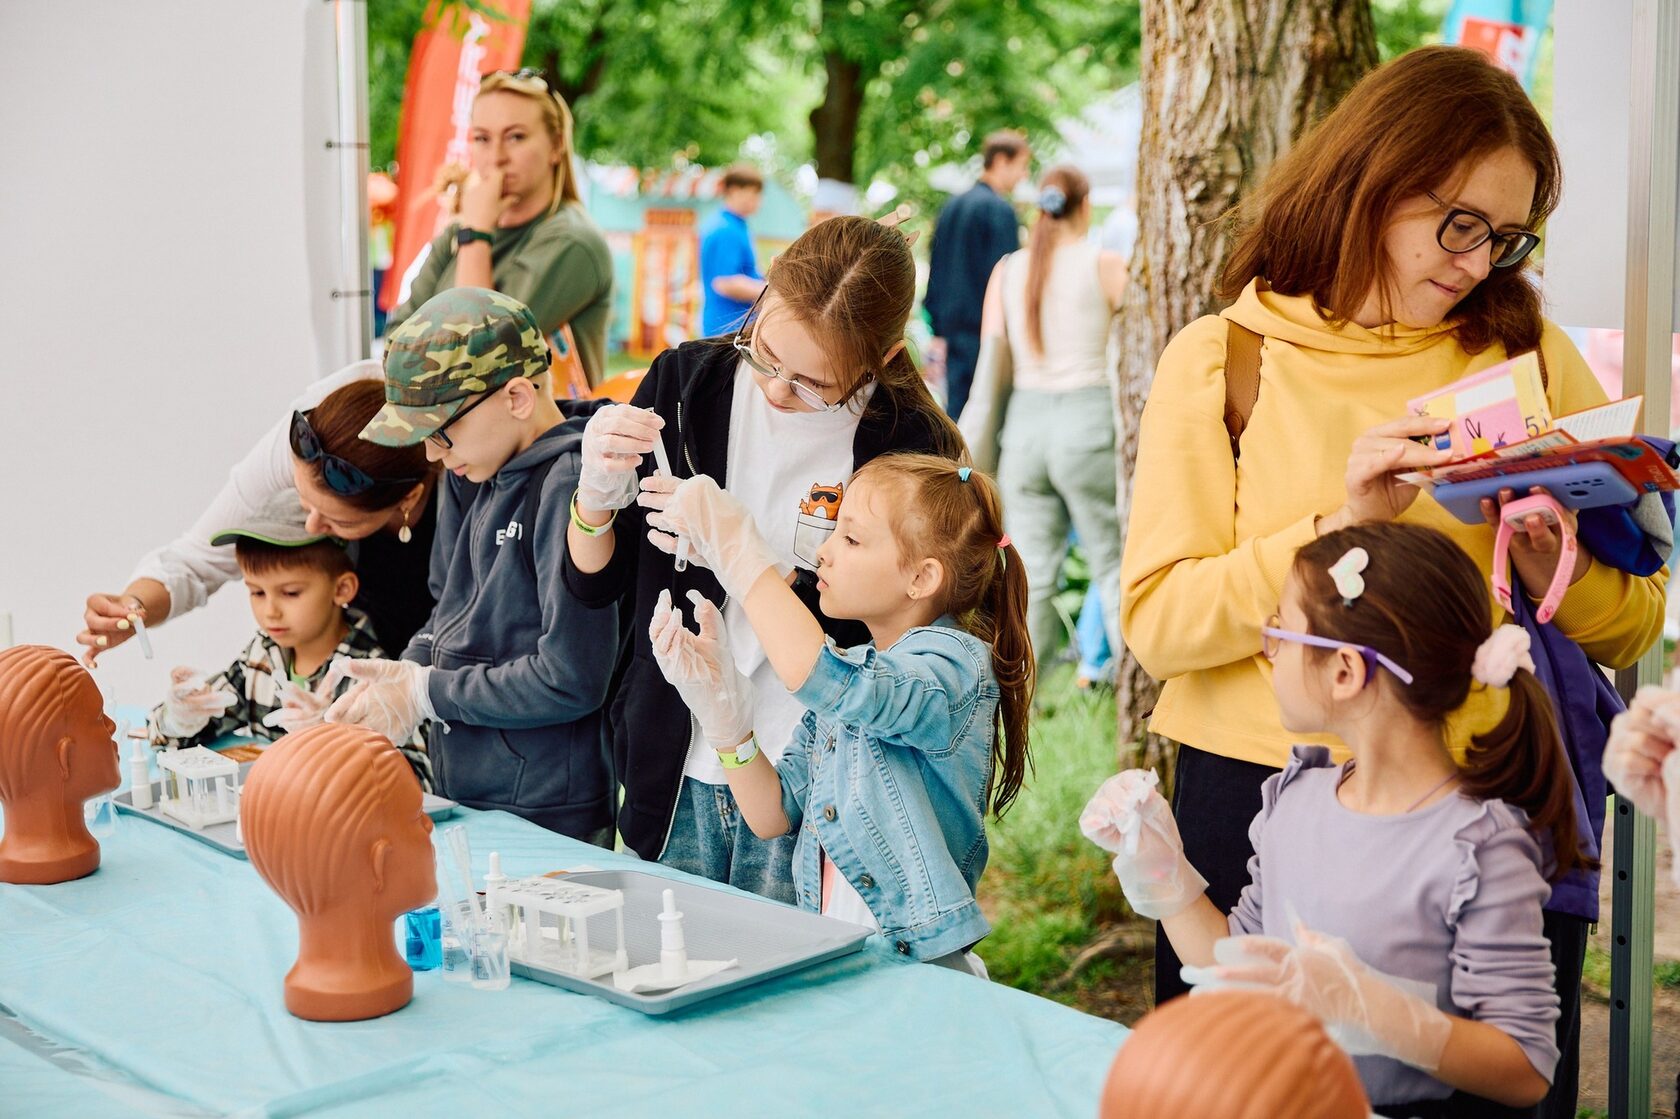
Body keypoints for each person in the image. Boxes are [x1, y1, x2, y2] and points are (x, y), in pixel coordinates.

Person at [1118, 47, 1666, 1112]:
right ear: (1371, 175)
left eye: (1505, 238)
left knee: (1490, 1091)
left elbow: (1632, 620)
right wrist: (1339, 529)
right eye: (1460, 223)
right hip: (1254, 797)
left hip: (1487, 806)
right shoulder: (1223, 358)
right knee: (1246, 1093)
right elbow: (1158, 621)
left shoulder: (1529, 356)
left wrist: (1557, 563)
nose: (1478, 262)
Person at [1092, 523, 1579, 1115]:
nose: (1269, 649)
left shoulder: (1480, 845)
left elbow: (1525, 1069)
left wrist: (1375, 1010)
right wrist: (1164, 874)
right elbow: (1233, 963)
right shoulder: (1293, 801)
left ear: (1345, 671)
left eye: (1281, 633)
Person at [562, 213, 964, 900]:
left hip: (816, 777)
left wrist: (748, 558)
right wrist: (592, 499)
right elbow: (593, 583)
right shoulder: (689, 385)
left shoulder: (908, 446)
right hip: (677, 761)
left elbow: (886, 634)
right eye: (764, 354)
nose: (777, 390)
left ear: (886, 358)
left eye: (814, 384)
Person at [647, 455, 1032, 972]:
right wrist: (724, 719)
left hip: (920, 970)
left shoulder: (951, 668)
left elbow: (821, 675)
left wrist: (740, 553)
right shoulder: (852, 690)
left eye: (850, 539)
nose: (823, 553)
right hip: (850, 961)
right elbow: (772, 814)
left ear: (921, 577)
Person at [324, 288, 617, 843]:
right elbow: (446, 614)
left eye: (440, 432)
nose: (432, 455)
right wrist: (390, 683)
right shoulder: (471, 470)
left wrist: (426, 693)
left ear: (516, 397)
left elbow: (572, 678)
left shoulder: (574, 487)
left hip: (549, 810)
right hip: (460, 783)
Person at [78, 368, 440, 665]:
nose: (312, 526)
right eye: (304, 502)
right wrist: (132, 607)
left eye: (338, 522)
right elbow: (196, 559)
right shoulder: (307, 436)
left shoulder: (466, 480)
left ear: (409, 498)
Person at [144, 494, 431, 790]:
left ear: (342, 589)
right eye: (257, 592)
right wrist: (180, 716)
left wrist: (336, 746)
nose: (270, 611)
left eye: (291, 593)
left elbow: (419, 779)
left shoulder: (370, 675)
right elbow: (171, 738)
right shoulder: (261, 656)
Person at [981, 165, 1126, 669]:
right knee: (1113, 563)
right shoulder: (1104, 264)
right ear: (1084, 207)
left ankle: (1025, 697)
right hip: (1087, 423)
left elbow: (991, 360)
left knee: (1033, 574)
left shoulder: (1007, 269)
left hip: (1023, 428)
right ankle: (1130, 683)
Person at [390, 68, 613, 387]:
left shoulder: (572, 241)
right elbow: (397, 348)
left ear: (556, 145)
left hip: (550, 437)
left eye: (516, 137)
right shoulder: (458, 234)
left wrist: (477, 235)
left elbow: (478, 358)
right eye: (482, 138)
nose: (496, 158)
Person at [924, 129, 1029, 421]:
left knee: (955, 415)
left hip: (949, 333)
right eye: (1022, 166)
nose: (1023, 176)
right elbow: (1007, 279)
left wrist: (937, 328)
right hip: (984, 333)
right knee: (984, 418)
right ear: (1001, 161)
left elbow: (936, 265)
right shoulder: (999, 211)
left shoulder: (952, 206)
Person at [698, 164, 768, 336]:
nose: (757, 201)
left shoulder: (736, 225)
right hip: (727, 329)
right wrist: (773, 293)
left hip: (733, 327)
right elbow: (725, 282)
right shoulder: (726, 230)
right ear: (735, 190)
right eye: (753, 194)